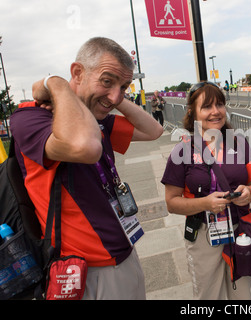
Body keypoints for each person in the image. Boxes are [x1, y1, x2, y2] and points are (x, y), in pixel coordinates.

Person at [9, 37, 164, 300]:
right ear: (78, 73)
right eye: (107, 80)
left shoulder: (96, 118)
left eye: (124, 86)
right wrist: (57, 84)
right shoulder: (31, 117)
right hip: (85, 268)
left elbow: (154, 130)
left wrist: (112, 96)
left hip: (123, 250)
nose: (116, 95)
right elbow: (86, 148)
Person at [161, 81, 251, 299]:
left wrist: (249, 193)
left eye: (220, 104)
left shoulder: (240, 143)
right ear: (193, 112)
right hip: (203, 234)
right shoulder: (182, 150)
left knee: (242, 295)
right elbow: (171, 202)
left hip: (240, 230)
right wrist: (205, 204)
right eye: (207, 106)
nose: (216, 112)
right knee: (209, 296)